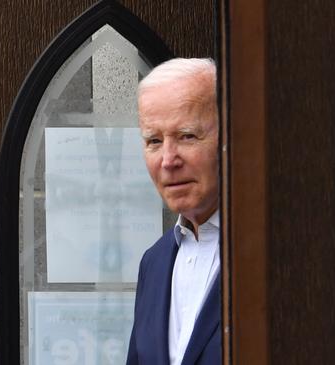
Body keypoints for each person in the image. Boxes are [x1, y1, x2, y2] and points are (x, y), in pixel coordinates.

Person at [126, 58, 221, 365]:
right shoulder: (153, 262)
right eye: (154, 141)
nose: (168, 160)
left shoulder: (277, 256)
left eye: (187, 136)